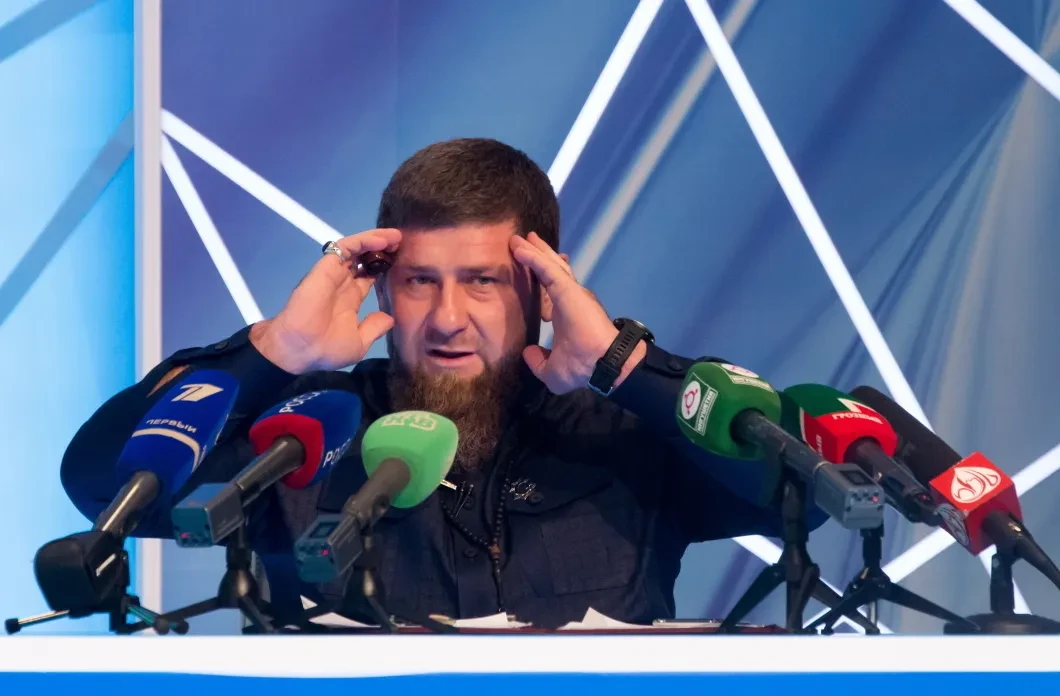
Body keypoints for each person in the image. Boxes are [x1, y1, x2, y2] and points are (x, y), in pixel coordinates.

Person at [61, 138, 824, 629]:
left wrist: (622, 366)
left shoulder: (623, 435)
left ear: (543, 286)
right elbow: (99, 482)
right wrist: (275, 350)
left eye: (483, 281)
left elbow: (806, 491)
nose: (448, 318)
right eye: (420, 281)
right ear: (383, 288)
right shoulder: (308, 429)